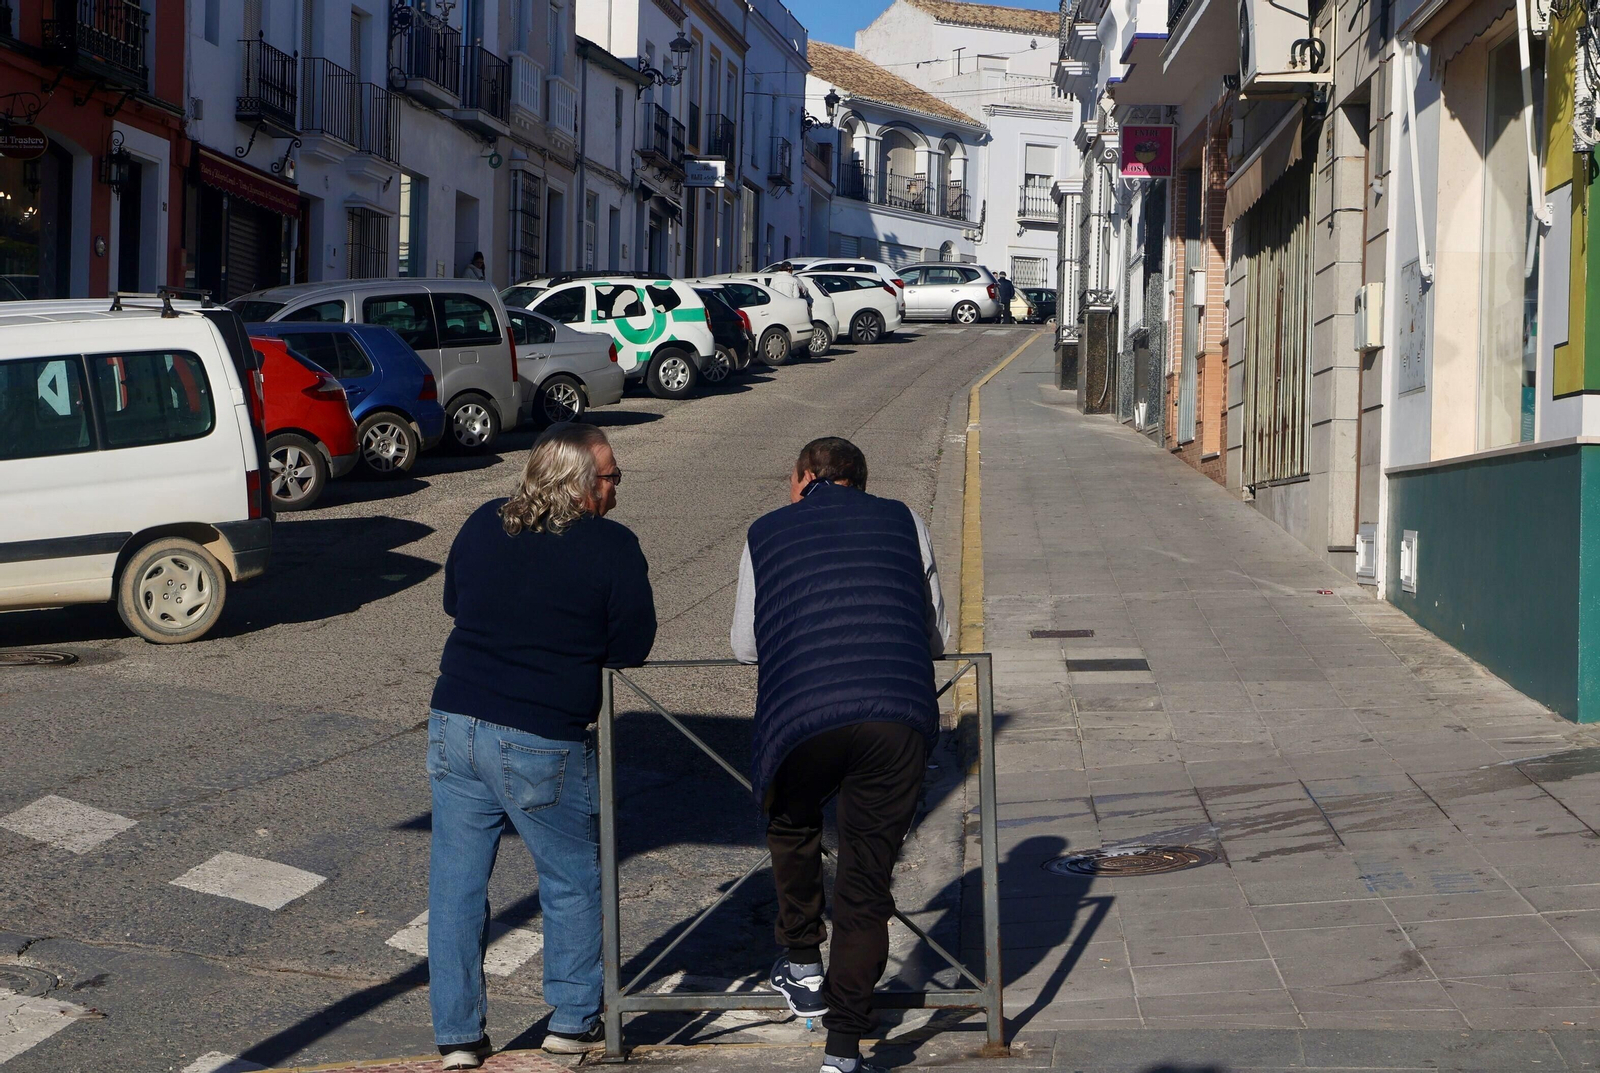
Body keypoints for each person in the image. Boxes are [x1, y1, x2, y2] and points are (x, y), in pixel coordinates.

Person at [427, 423, 655, 1069]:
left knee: (456, 886)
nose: (616, 487)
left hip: (455, 717)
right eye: (610, 476)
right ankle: (572, 1019)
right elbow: (632, 646)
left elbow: (455, 601)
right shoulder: (612, 546)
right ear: (581, 485)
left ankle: (459, 1036)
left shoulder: (483, 521)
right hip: (538, 734)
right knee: (570, 880)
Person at [731, 437, 948, 1073]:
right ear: (862, 481)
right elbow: (934, 630)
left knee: (791, 818)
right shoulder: (905, 519)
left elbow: (746, 644)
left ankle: (801, 962)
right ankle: (844, 1046)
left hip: (802, 718)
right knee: (865, 878)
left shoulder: (766, 530)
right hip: (896, 716)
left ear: (803, 480)